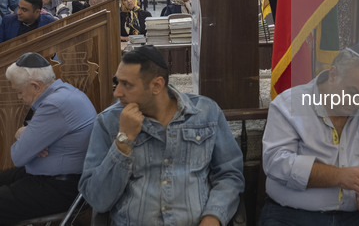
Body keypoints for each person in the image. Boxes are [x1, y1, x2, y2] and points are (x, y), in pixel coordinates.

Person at [79, 45, 244, 225]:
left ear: (157, 85)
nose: (117, 92)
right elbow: (97, 199)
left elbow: (229, 175)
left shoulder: (205, 112)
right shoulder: (108, 122)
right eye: (116, 82)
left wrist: (213, 217)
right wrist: (123, 141)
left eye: (126, 84)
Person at [260, 43, 359, 225]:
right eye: (352, 92)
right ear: (333, 74)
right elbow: (275, 163)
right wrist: (338, 176)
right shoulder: (289, 104)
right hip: (292, 215)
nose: (358, 102)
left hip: (354, 217)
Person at [0, 52, 96, 224]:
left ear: (36, 86)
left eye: (20, 92)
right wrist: (25, 135)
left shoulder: (54, 105)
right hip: (53, 176)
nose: (19, 97)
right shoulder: (65, 91)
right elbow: (26, 147)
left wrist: (24, 136)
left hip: (62, 187)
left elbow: (18, 156)